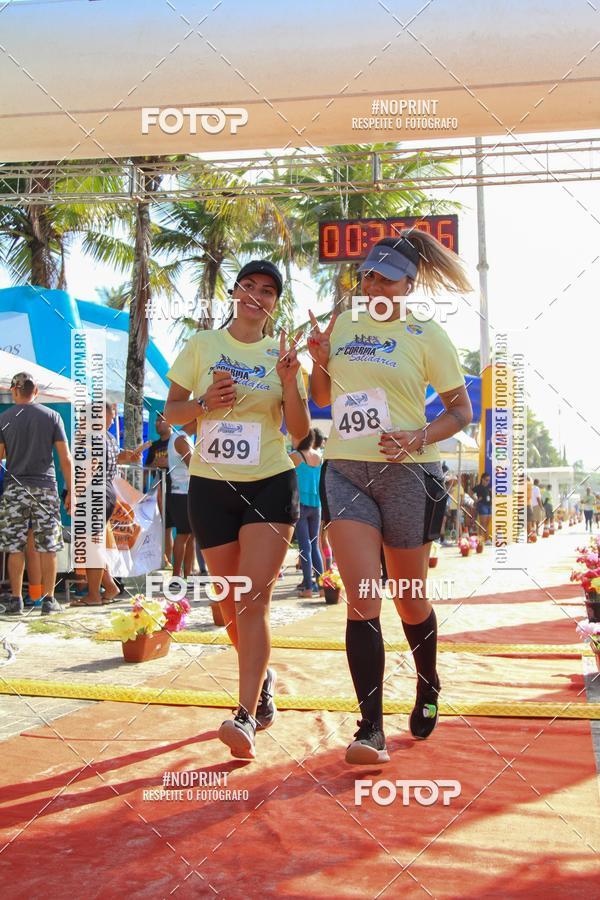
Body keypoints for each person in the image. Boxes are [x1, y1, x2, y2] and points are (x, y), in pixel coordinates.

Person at [309, 231, 473, 764]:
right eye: (368, 275)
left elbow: (459, 412)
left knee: (408, 596)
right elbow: (322, 398)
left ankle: (428, 684)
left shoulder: (428, 334)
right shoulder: (345, 325)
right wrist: (316, 360)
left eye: (386, 276)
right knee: (363, 596)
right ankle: (370, 729)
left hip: (410, 474)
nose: (374, 283)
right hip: (347, 471)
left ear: (409, 283)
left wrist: (419, 435)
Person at [164, 259, 310, 759]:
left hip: (270, 483)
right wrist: (204, 404)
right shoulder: (203, 344)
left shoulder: (282, 353)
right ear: (235, 291)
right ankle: (262, 678)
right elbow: (170, 413)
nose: (256, 296)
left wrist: (290, 381)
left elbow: (300, 431)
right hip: (211, 486)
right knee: (228, 606)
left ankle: (244, 715)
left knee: (251, 601)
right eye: (249, 286)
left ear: (275, 303)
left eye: (268, 291)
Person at [0, 372, 72, 615]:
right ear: (36, 392)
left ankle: (16, 599)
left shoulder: (4, 419)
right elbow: (66, 458)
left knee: (15, 546)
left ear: (14, 391)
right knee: (48, 546)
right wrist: (71, 491)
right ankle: (50, 600)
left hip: (14, 487)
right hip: (45, 488)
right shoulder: (52, 416)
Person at [73, 401, 143, 605]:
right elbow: (111, 459)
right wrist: (128, 457)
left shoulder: (91, 437)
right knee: (92, 543)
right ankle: (110, 586)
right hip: (106, 492)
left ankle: (94, 594)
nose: (112, 420)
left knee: (91, 544)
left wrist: (74, 494)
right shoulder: (108, 437)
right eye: (111, 416)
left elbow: (89, 467)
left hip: (94, 492)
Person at [290, 430, 324, 598]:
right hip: (316, 505)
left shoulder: (295, 456)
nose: (292, 438)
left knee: (305, 547)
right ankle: (323, 586)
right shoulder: (318, 456)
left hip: (301, 504)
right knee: (314, 546)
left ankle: (308, 588)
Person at [166, 426, 195, 580]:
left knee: (190, 536)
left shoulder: (183, 437)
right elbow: (194, 465)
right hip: (181, 493)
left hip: (185, 492)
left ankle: (188, 576)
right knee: (183, 535)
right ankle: (176, 577)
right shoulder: (182, 438)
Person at [146, 413, 174, 568]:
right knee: (163, 528)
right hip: (159, 492)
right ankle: (164, 562)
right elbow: (147, 469)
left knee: (183, 532)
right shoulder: (154, 446)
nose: (157, 423)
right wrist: (155, 464)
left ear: (170, 423)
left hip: (178, 490)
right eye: (156, 420)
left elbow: (186, 462)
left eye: (161, 420)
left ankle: (177, 568)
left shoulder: (176, 441)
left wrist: (168, 463)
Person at [473, 472, 492, 543]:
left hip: (489, 506)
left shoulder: (488, 487)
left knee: (486, 524)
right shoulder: (479, 487)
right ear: (482, 479)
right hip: (482, 506)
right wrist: (476, 500)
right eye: (486, 480)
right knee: (483, 524)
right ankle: (481, 540)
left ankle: (486, 540)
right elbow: (470, 492)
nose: (488, 481)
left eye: (489, 480)